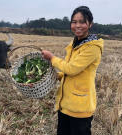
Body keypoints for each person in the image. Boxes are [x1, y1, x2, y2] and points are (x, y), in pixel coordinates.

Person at [42, 6, 104, 135]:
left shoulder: (93, 47)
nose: (78, 25)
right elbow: (67, 72)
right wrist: (52, 76)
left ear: (90, 24)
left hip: (80, 109)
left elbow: (72, 69)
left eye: (82, 22)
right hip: (65, 105)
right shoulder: (75, 43)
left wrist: (52, 58)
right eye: (74, 22)